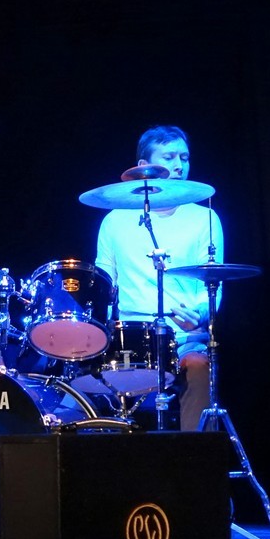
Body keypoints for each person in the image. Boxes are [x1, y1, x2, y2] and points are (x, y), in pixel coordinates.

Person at [94, 125, 220, 431]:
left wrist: (200, 313)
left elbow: (213, 284)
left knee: (199, 368)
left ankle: (197, 453)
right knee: (87, 382)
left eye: (184, 158)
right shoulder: (114, 221)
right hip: (130, 340)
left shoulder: (205, 217)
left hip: (184, 340)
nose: (179, 166)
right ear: (143, 167)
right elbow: (103, 286)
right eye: (169, 157)